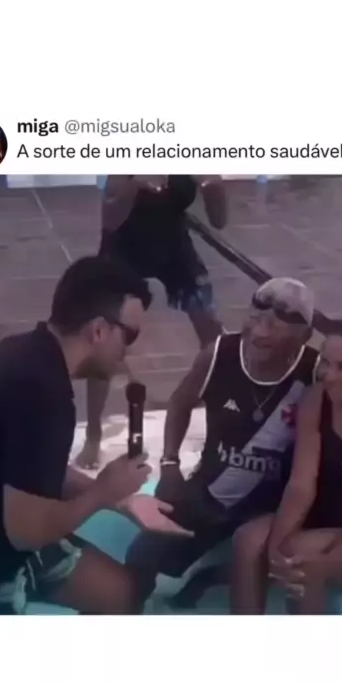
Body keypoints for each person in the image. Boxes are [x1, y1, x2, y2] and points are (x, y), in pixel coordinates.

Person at [0, 257, 192, 616]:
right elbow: (29, 533)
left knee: (121, 595)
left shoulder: (26, 354)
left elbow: (34, 471)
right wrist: (103, 492)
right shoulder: (43, 393)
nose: (129, 351)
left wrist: (122, 500)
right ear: (98, 331)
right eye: (129, 336)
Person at [125, 277, 318, 611]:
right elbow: (181, 401)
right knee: (144, 552)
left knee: (276, 561)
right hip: (210, 493)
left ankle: (213, 576)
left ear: (304, 335)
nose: (260, 331)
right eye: (255, 318)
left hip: (273, 508)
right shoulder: (219, 354)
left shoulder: (315, 372)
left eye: (275, 325)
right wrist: (170, 464)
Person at [75, 174, 227, 470]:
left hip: (172, 245)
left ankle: (214, 408)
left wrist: (214, 187)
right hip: (123, 246)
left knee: (212, 330)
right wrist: (134, 184)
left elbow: (219, 221)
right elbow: (110, 221)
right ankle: (93, 433)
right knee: (105, 336)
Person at [231, 315, 342, 615]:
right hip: (322, 516)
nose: (328, 375)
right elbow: (301, 484)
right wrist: (275, 547)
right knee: (248, 541)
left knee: (301, 559)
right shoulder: (316, 400)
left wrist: (333, 561)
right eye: (326, 362)